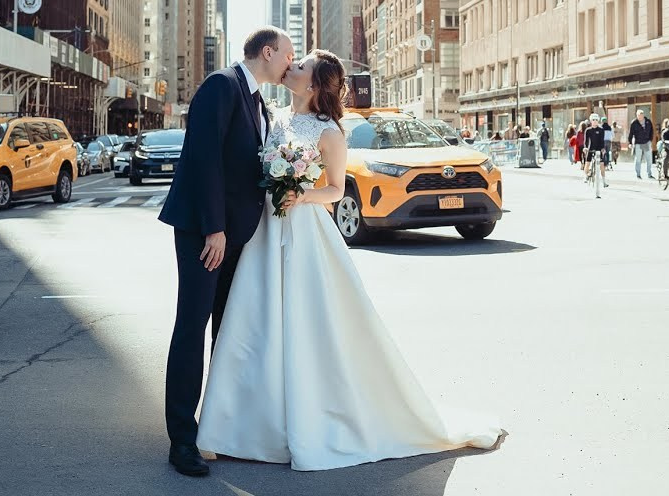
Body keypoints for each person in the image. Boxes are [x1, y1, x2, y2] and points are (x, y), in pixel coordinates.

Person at [196, 49, 503, 472]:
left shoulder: (329, 133)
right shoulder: (274, 117)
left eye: (301, 66)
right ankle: (233, 427)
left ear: (317, 84)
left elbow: (336, 190)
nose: (292, 67)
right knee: (254, 324)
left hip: (303, 233)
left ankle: (305, 420)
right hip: (263, 232)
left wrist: (300, 193)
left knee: (305, 326)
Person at [158, 26, 294, 477]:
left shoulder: (259, 102)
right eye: (287, 56)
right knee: (192, 326)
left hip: (236, 236)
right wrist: (213, 229)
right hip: (204, 232)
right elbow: (202, 159)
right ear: (268, 52)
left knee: (227, 329)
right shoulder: (222, 85)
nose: (290, 64)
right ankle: (182, 439)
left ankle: (216, 426)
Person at [581, 114, 608, 191]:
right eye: (593, 120)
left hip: (599, 148)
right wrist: (585, 148)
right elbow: (586, 141)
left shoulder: (601, 130)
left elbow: (602, 141)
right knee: (587, 162)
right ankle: (585, 176)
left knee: (602, 164)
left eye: (596, 120)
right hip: (590, 148)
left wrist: (603, 149)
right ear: (591, 121)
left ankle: (604, 181)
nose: (595, 121)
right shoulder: (588, 130)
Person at [628, 110, 655, 179]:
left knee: (649, 159)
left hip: (646, 142)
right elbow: (631, 133)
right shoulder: (634, 123)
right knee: (638, 159)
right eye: (638, 115)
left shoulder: (648, 122)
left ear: (643, 115)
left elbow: (652, 131)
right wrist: (630, 142)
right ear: (637, 116)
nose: (640, 117)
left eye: (641, 115)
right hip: (638, 143)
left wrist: (650, 140)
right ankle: (638, 174)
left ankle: (649, 173)